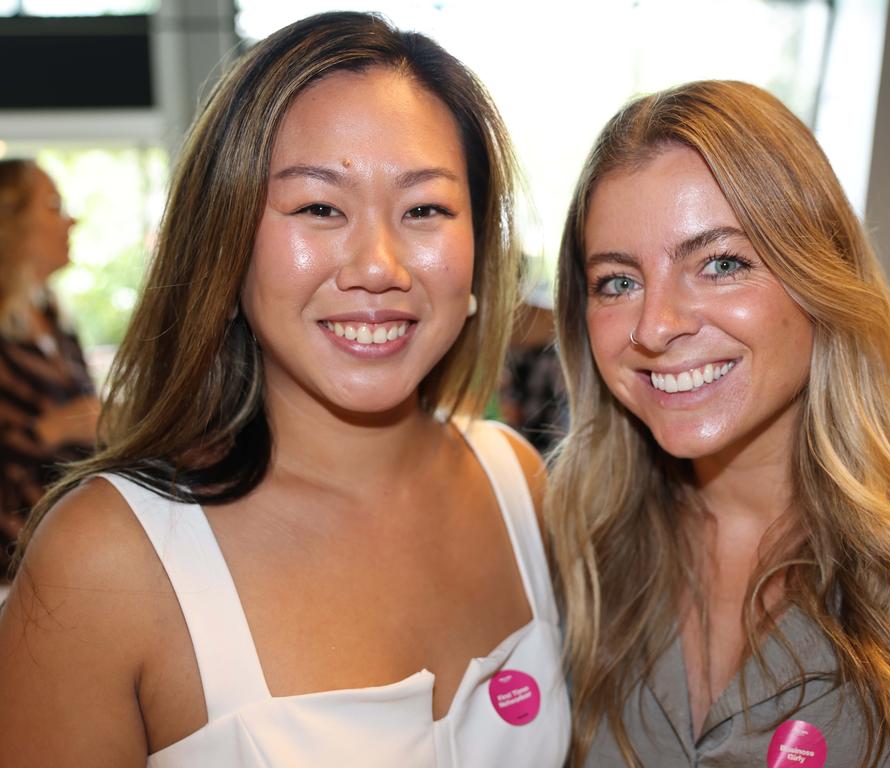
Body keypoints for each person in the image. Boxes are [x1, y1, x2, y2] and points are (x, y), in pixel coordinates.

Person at [0, 12, 568, 767]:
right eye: (318, 208)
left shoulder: (517, 482)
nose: (379, 265)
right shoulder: (106, 560)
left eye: (425, 208)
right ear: (226, 243)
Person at [548, 80, 890, 767]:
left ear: (820, 278)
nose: (654, 327)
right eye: (617, 282)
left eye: (721, 264)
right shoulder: (576, 552)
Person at [0, 159, 99, 577]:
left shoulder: (54, 321)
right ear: (9, 221)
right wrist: (54, 429)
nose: (71, 220)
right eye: (54, 206)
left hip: (63, 553)